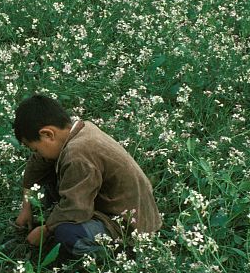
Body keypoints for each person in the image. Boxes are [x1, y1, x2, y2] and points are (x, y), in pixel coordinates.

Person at [13, 94, 161, 264]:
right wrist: (26, 206)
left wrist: (46, 230)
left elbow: (76, 209)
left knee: (66, 233)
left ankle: (118, 256)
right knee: (49, 173)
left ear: (48, 134)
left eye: (36, 149)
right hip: (116, 206)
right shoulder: (79, 130)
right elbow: (38, 164)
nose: (37, 154)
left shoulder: (77, 155)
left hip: (129, 225)